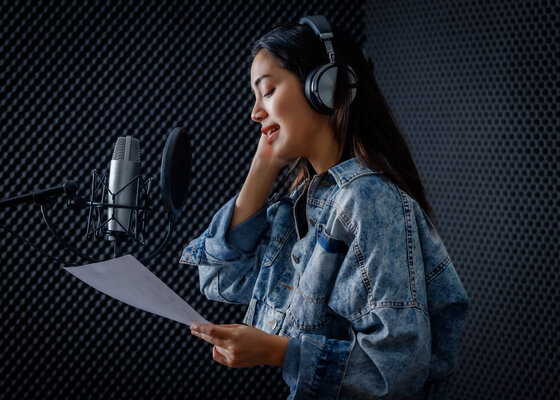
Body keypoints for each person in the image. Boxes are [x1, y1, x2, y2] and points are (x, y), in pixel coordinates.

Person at [180, 15, 469, 400]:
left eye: (267, 92)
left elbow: (397, 370)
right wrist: (263, 166)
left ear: (325, 89)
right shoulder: (306, 205)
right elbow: (220, 279)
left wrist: (274, 351)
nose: (254, 112)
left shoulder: (368, 200)